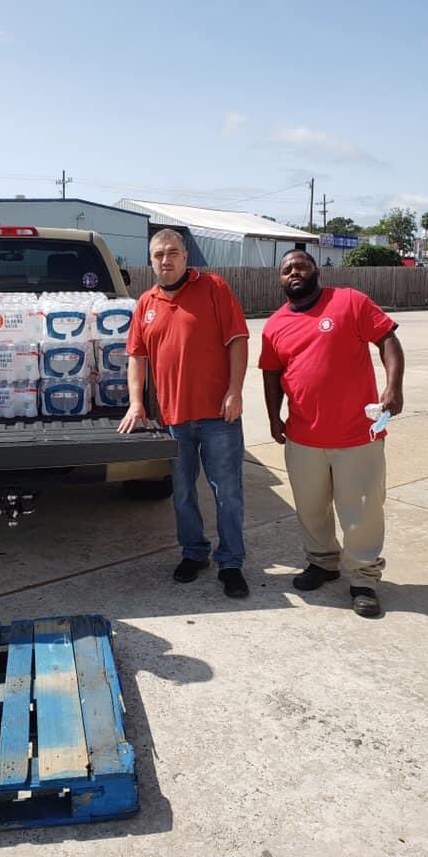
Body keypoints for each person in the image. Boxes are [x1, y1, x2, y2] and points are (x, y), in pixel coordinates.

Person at [259, 249, 404, 617]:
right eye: (286, 268)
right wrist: (274, 418)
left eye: (301, 265)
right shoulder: (274, 325)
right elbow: (271, 374)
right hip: (303, 436)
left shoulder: (349, 302)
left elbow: (387, 339)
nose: (294, 271)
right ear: (280, 279)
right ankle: (322, 562)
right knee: (310, 509)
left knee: (362, 512)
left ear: (316, 271)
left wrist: (394, 387)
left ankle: (364, 579)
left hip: (357, 436)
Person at [117, 229, 250, 597]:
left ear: (186, 255)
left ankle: (231, 562)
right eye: (158, 254)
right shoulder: (146, 302)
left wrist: (235, 391)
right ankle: (194, 553)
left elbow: (238, 339)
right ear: (151, 260)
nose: (166, 260)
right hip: (173, 419)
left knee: (228, 493)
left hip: (218, 417)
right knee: (182, 493)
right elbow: (136, 358)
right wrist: (137, 403)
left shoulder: (214, 288)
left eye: (173, 252)